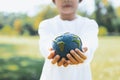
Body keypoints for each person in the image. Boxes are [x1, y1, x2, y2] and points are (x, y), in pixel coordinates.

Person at [38, 0, 98, 80]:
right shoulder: (46, 24)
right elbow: (45, 44)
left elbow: (90, 44)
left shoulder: (89, 24)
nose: (67, 0)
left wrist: (84, 52)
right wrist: (52, 53)